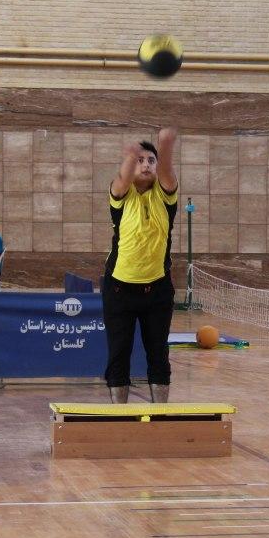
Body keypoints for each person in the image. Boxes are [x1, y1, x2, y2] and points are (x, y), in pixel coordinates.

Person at [102, 128, 178, 404]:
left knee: (158, 352)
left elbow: (167, 173)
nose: (146, 165)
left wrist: (165, 145)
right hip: (118, 289)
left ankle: (160, 412)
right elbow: (122, 181)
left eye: (151, 161)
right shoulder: (122, 195)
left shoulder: (165, 195)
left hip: (157, 289)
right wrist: (129, 157)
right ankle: (119, 413)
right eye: (140, 161)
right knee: (119, 352)